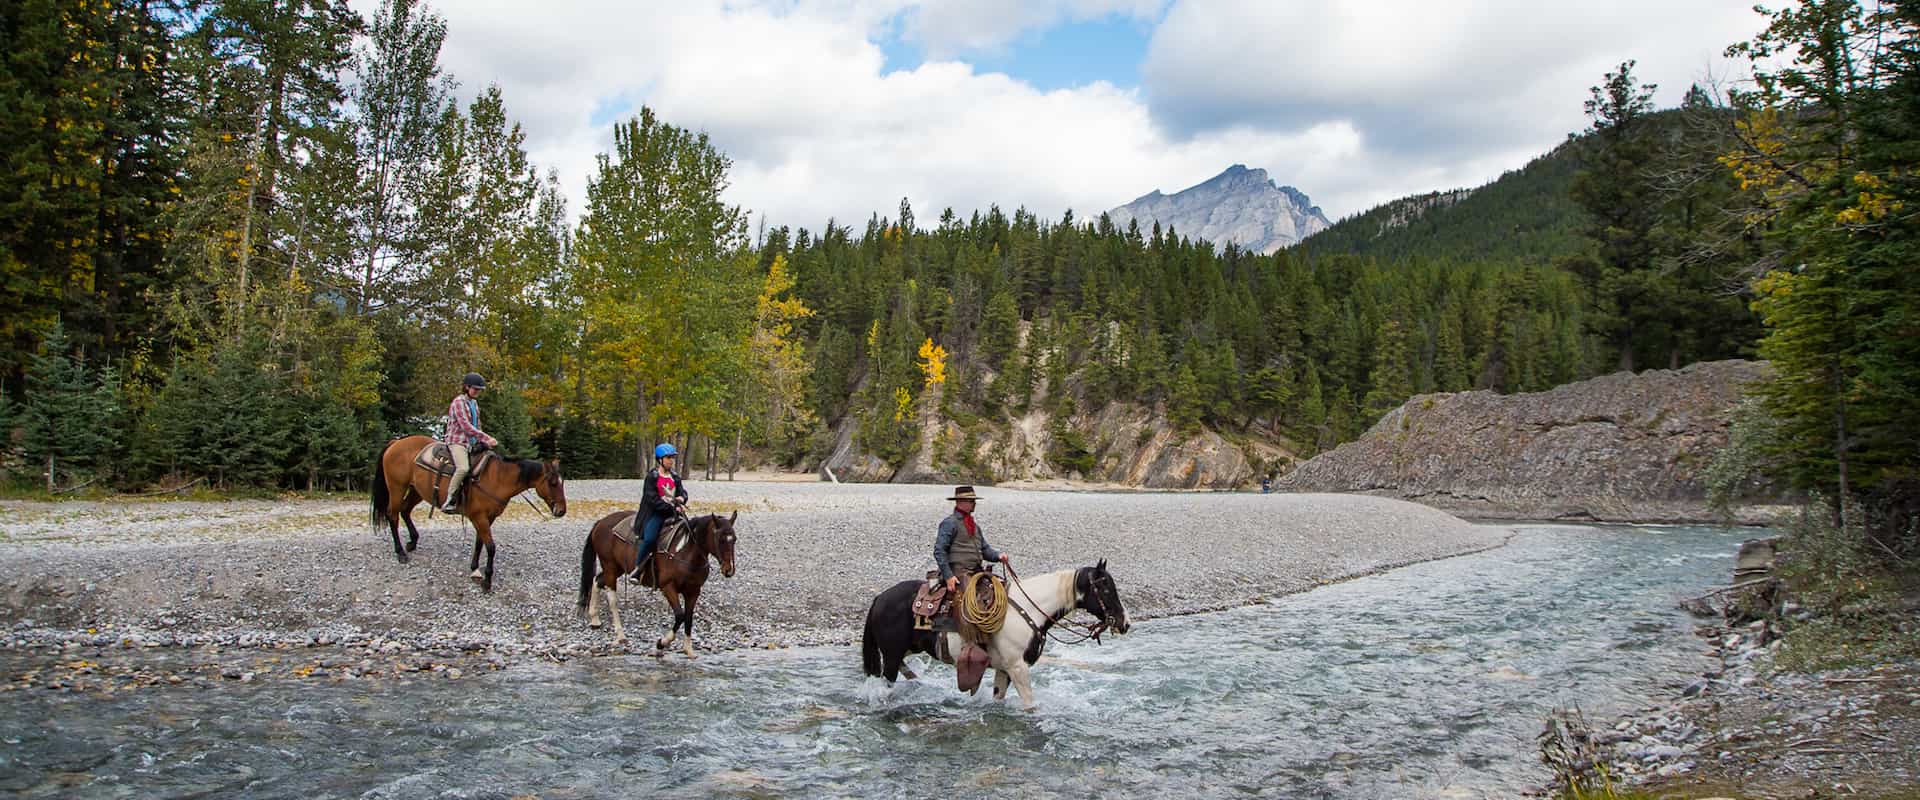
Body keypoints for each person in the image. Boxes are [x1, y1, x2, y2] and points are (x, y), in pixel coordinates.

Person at [934, 485, 1011, 596]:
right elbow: (939, 550)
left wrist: (998, 556)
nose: (974, 503)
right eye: (971, 501)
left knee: (1000, 591)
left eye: (974, 500)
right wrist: (948, 576)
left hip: (976, 571)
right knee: (969, 602)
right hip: (958, 572)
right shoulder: (949, 523)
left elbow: (985, 550)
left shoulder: (974, 526)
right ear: (960, 502)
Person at [443, 372, 498, 513]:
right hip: (457, 441)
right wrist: (486, 438)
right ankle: (450, 499)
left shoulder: (473, 403)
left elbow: (477, 424)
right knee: (463, 468)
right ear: (466, 387)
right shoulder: (458, 402)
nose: (478, 392)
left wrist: (483, 441)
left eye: (479, 390)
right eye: (475, 389)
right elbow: (465, 426)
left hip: (471, 442)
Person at [637, 442, 689, 576]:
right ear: (660, 460)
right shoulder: (652, 477)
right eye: (668, 458)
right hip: (656, 514)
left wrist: (682, 498)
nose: (671, 460)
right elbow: (652, 500)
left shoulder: (675, 476)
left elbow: (682, 492)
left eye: (673, 458)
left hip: (675, 512)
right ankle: (638, 568)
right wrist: (672, 508)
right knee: (649, 538)